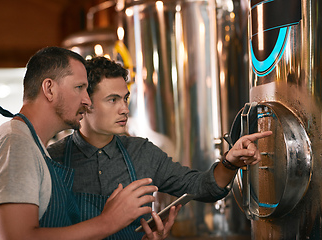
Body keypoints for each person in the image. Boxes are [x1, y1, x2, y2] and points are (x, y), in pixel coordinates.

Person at [47, 57, 272, 238]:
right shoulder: (52, 158)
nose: (124, 109)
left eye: (125, 99)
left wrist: (229, 162)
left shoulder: (142, 152)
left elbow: (200, 186)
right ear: (85, 102)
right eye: (113, 100)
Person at [0, 47, 177, 240]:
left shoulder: (33, 146)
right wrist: (108, 222)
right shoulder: (15, 144)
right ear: (49, 89)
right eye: (79, 87)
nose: (87, 101)